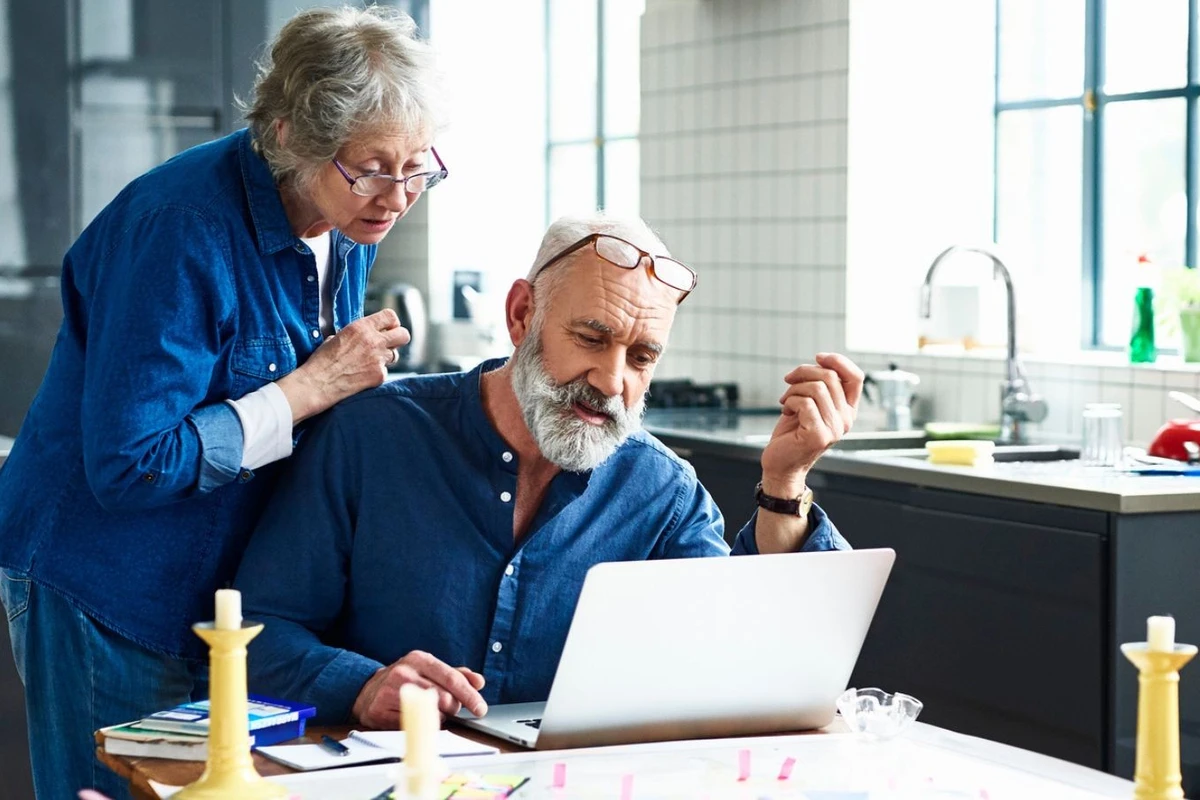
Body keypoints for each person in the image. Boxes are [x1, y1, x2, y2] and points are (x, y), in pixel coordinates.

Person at [0, 6, 445, 798]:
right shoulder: (182, 229)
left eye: (417, 167)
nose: (398, 194)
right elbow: (131, 465)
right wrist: (309, 387)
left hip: (216, 591)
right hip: (108, 581)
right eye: (373, 167)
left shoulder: (346, 219)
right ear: (287, 138)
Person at [235, 213, 863, 730]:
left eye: (641, 356)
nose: (613, 382)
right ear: (521, 314)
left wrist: (784, 484)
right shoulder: (371, 436)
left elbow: (746, 659)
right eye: (592, 338)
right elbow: (254, 632)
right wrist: (364, 684)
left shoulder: (661, 492)